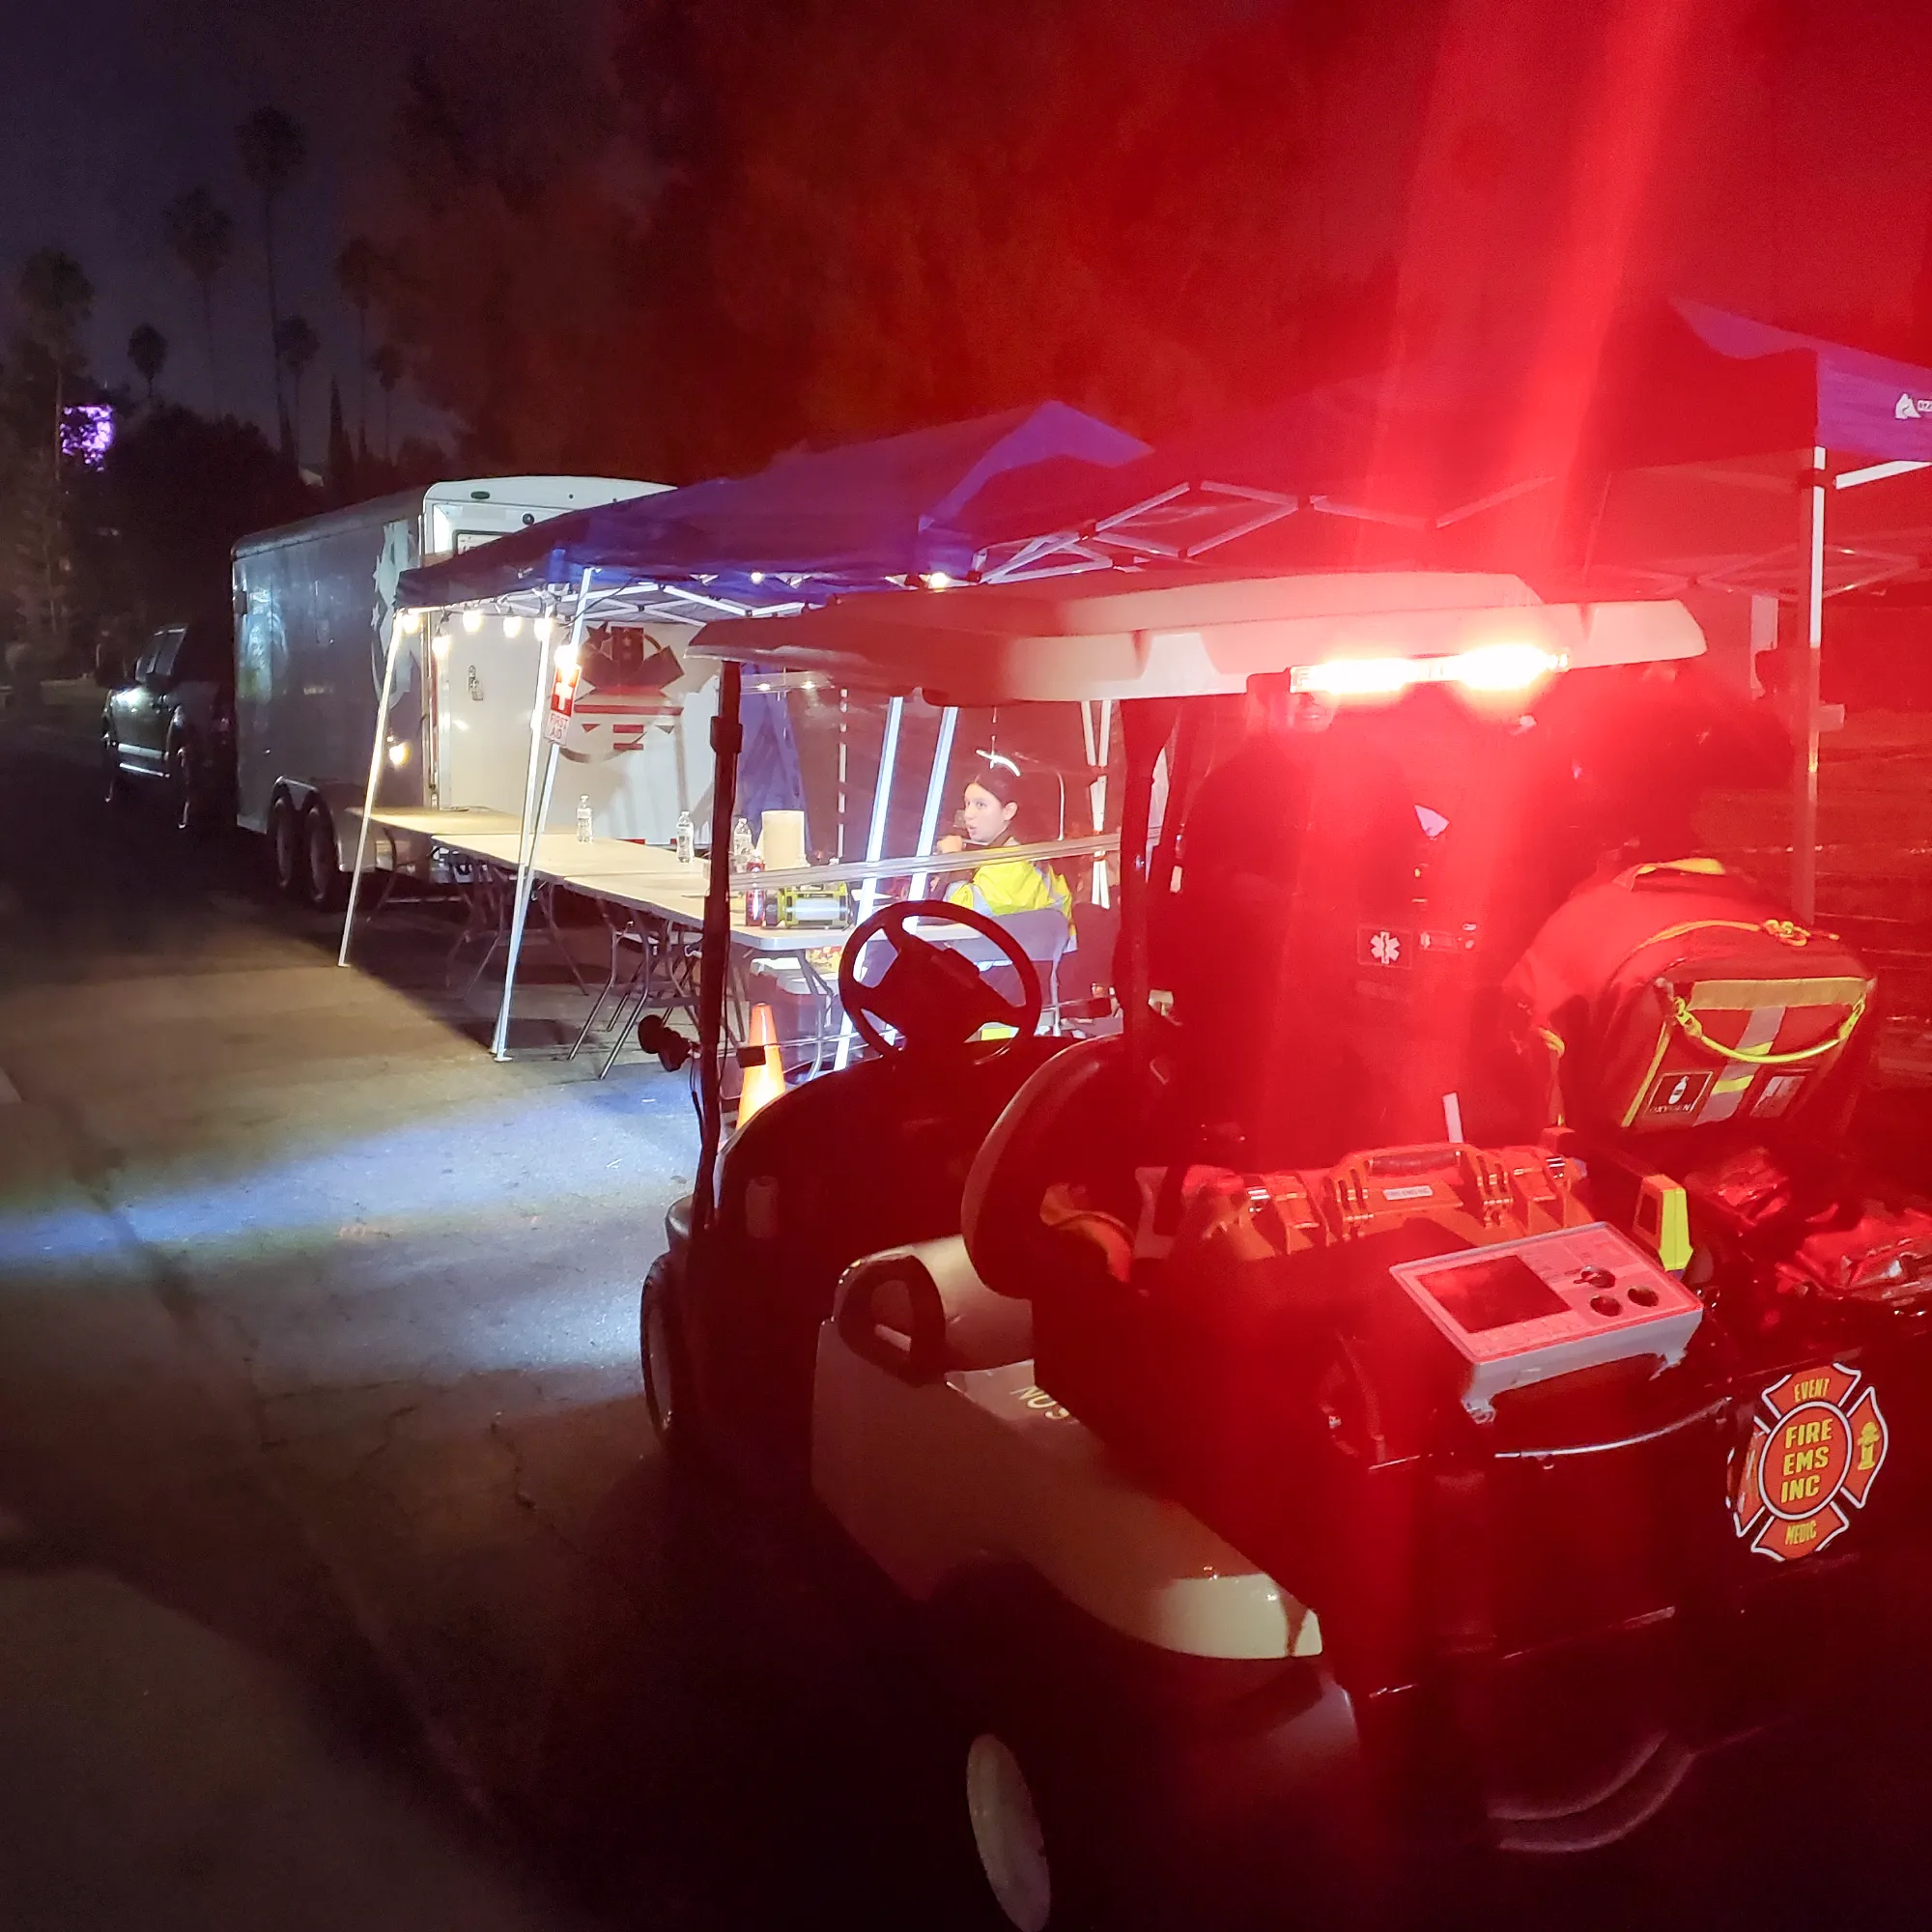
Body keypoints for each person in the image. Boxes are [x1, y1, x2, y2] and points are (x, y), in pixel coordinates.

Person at [934, 753, 1073, 932]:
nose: (968, 814)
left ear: (1008, 811)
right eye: (967, 804)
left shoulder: (1016, 861)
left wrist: (954, 860)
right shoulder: (1007, 854)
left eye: (980, 805)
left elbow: (960, 915)